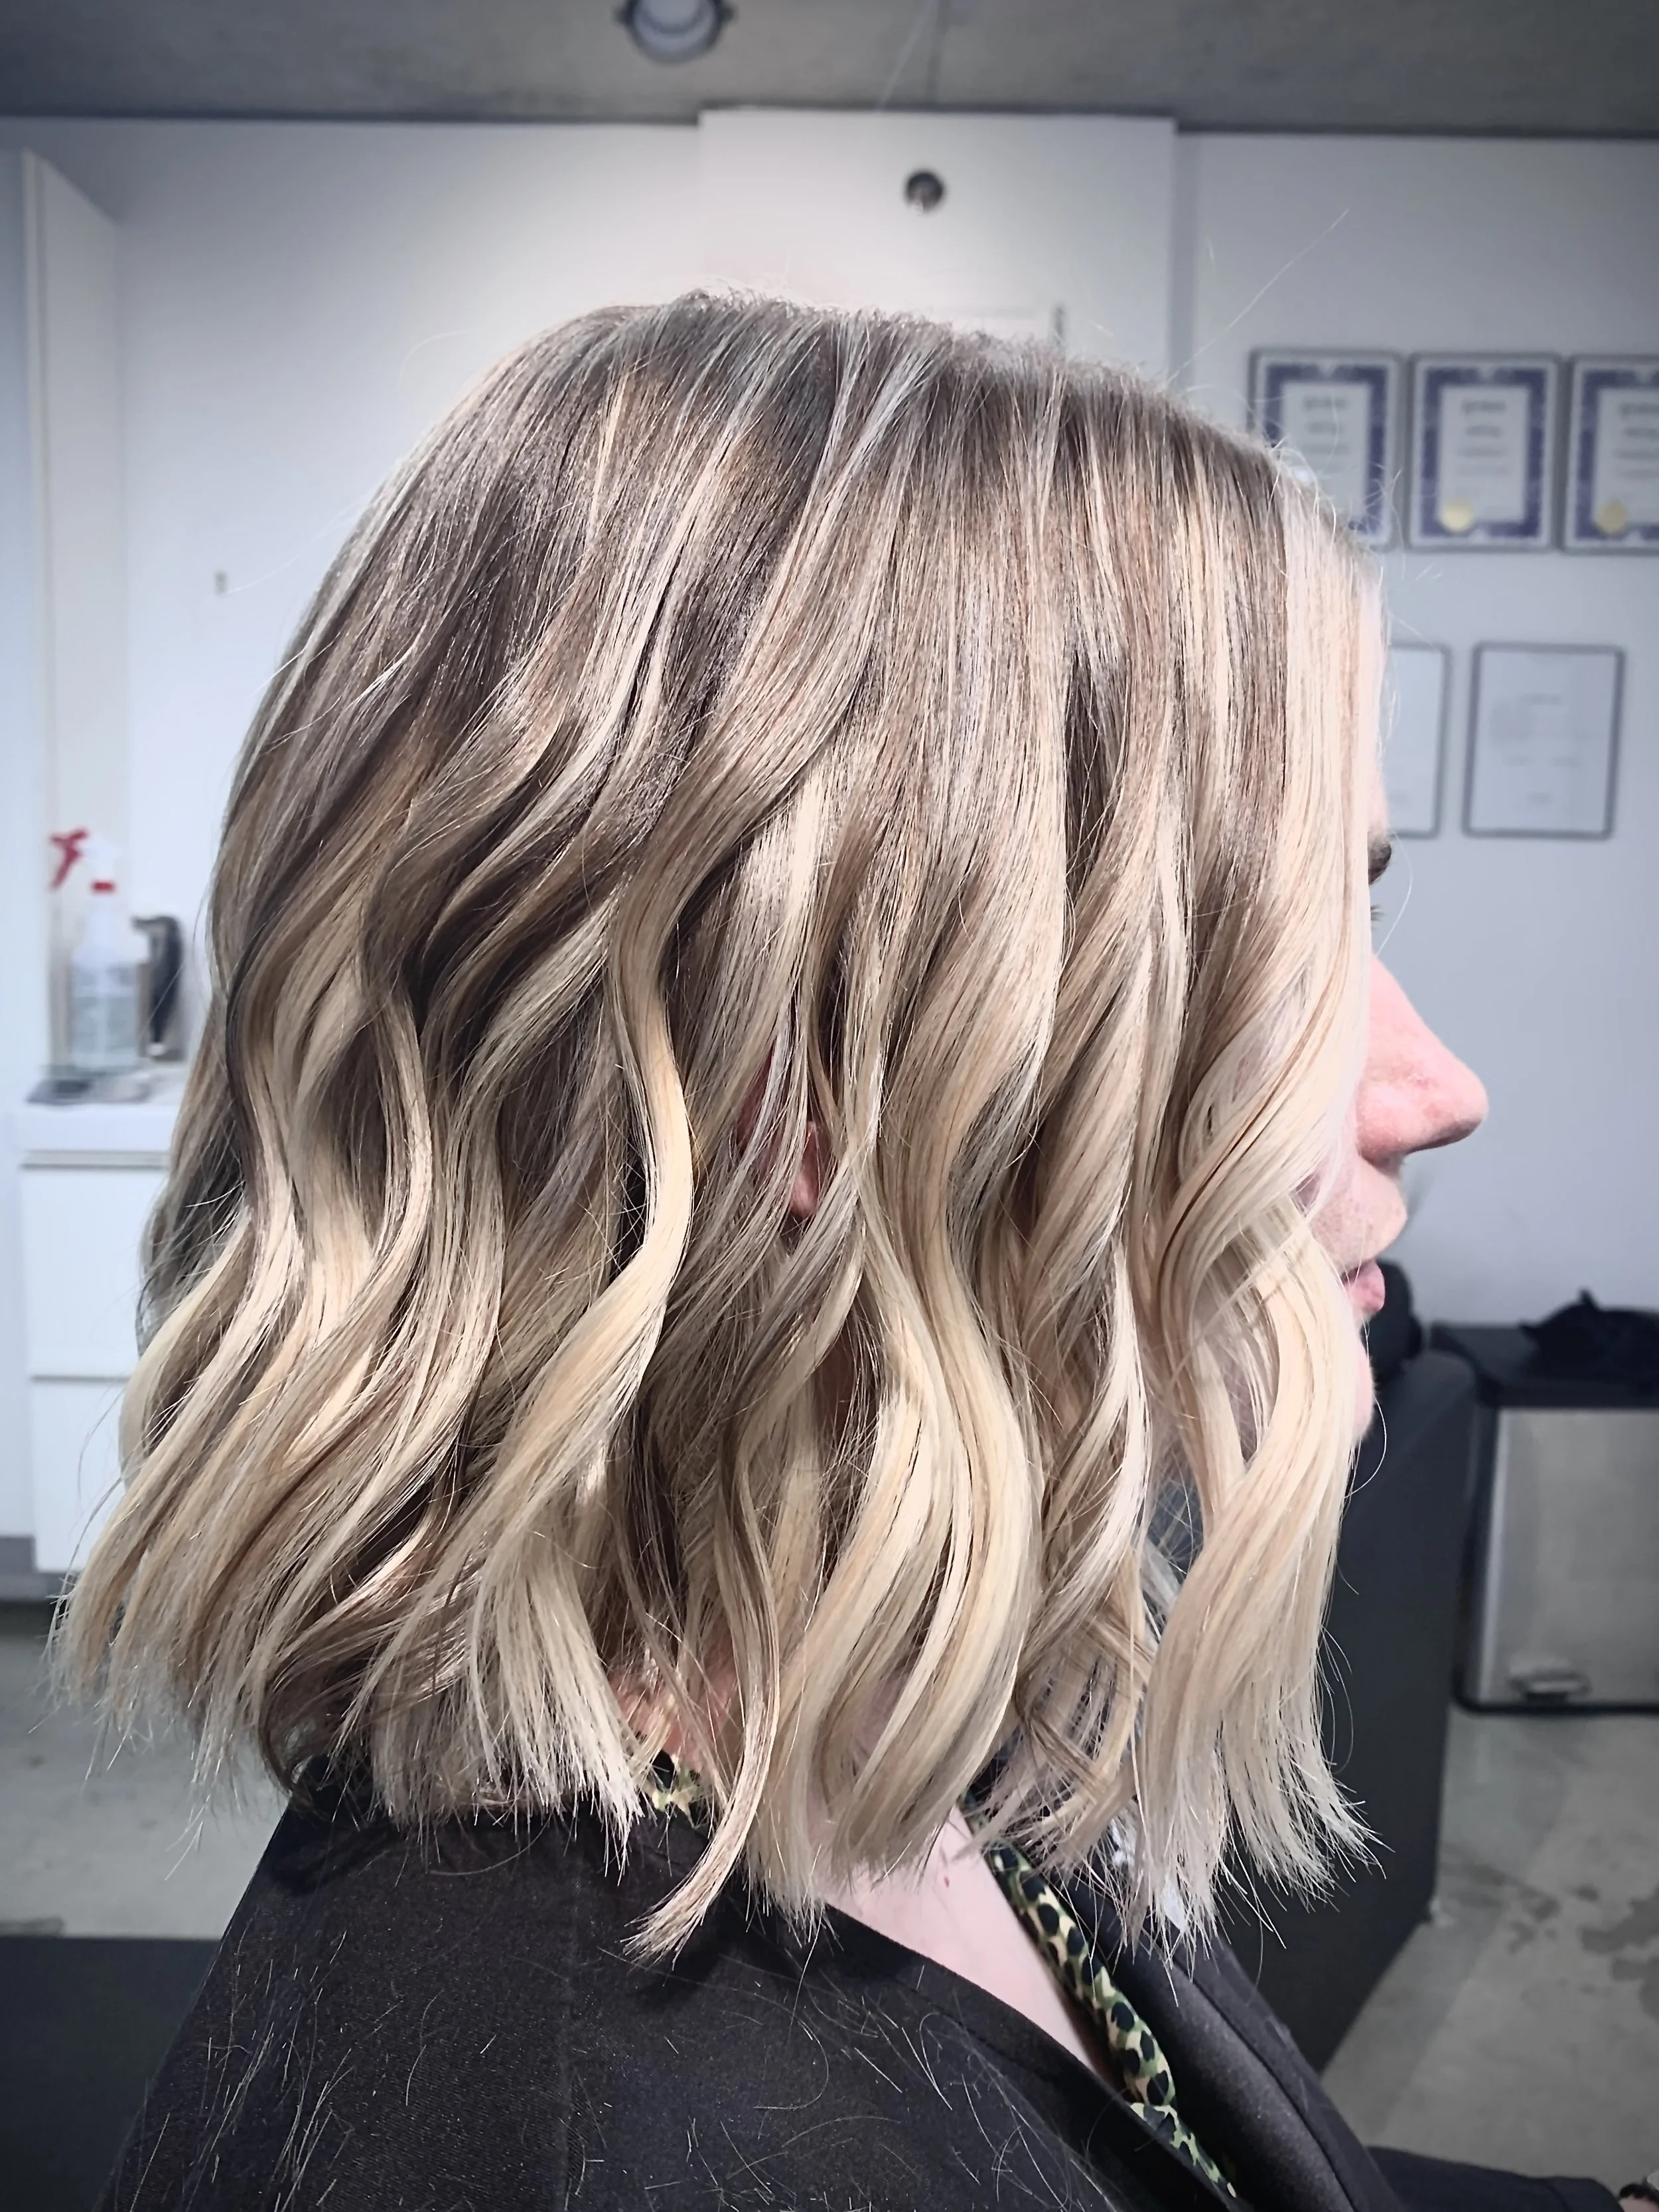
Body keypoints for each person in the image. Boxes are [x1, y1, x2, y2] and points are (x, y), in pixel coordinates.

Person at [55, 293, 1641, 2212]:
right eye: (1294, 947)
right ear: (804, 1082)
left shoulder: (885, 1705)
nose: (1439, 1088)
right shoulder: (587, 2145)